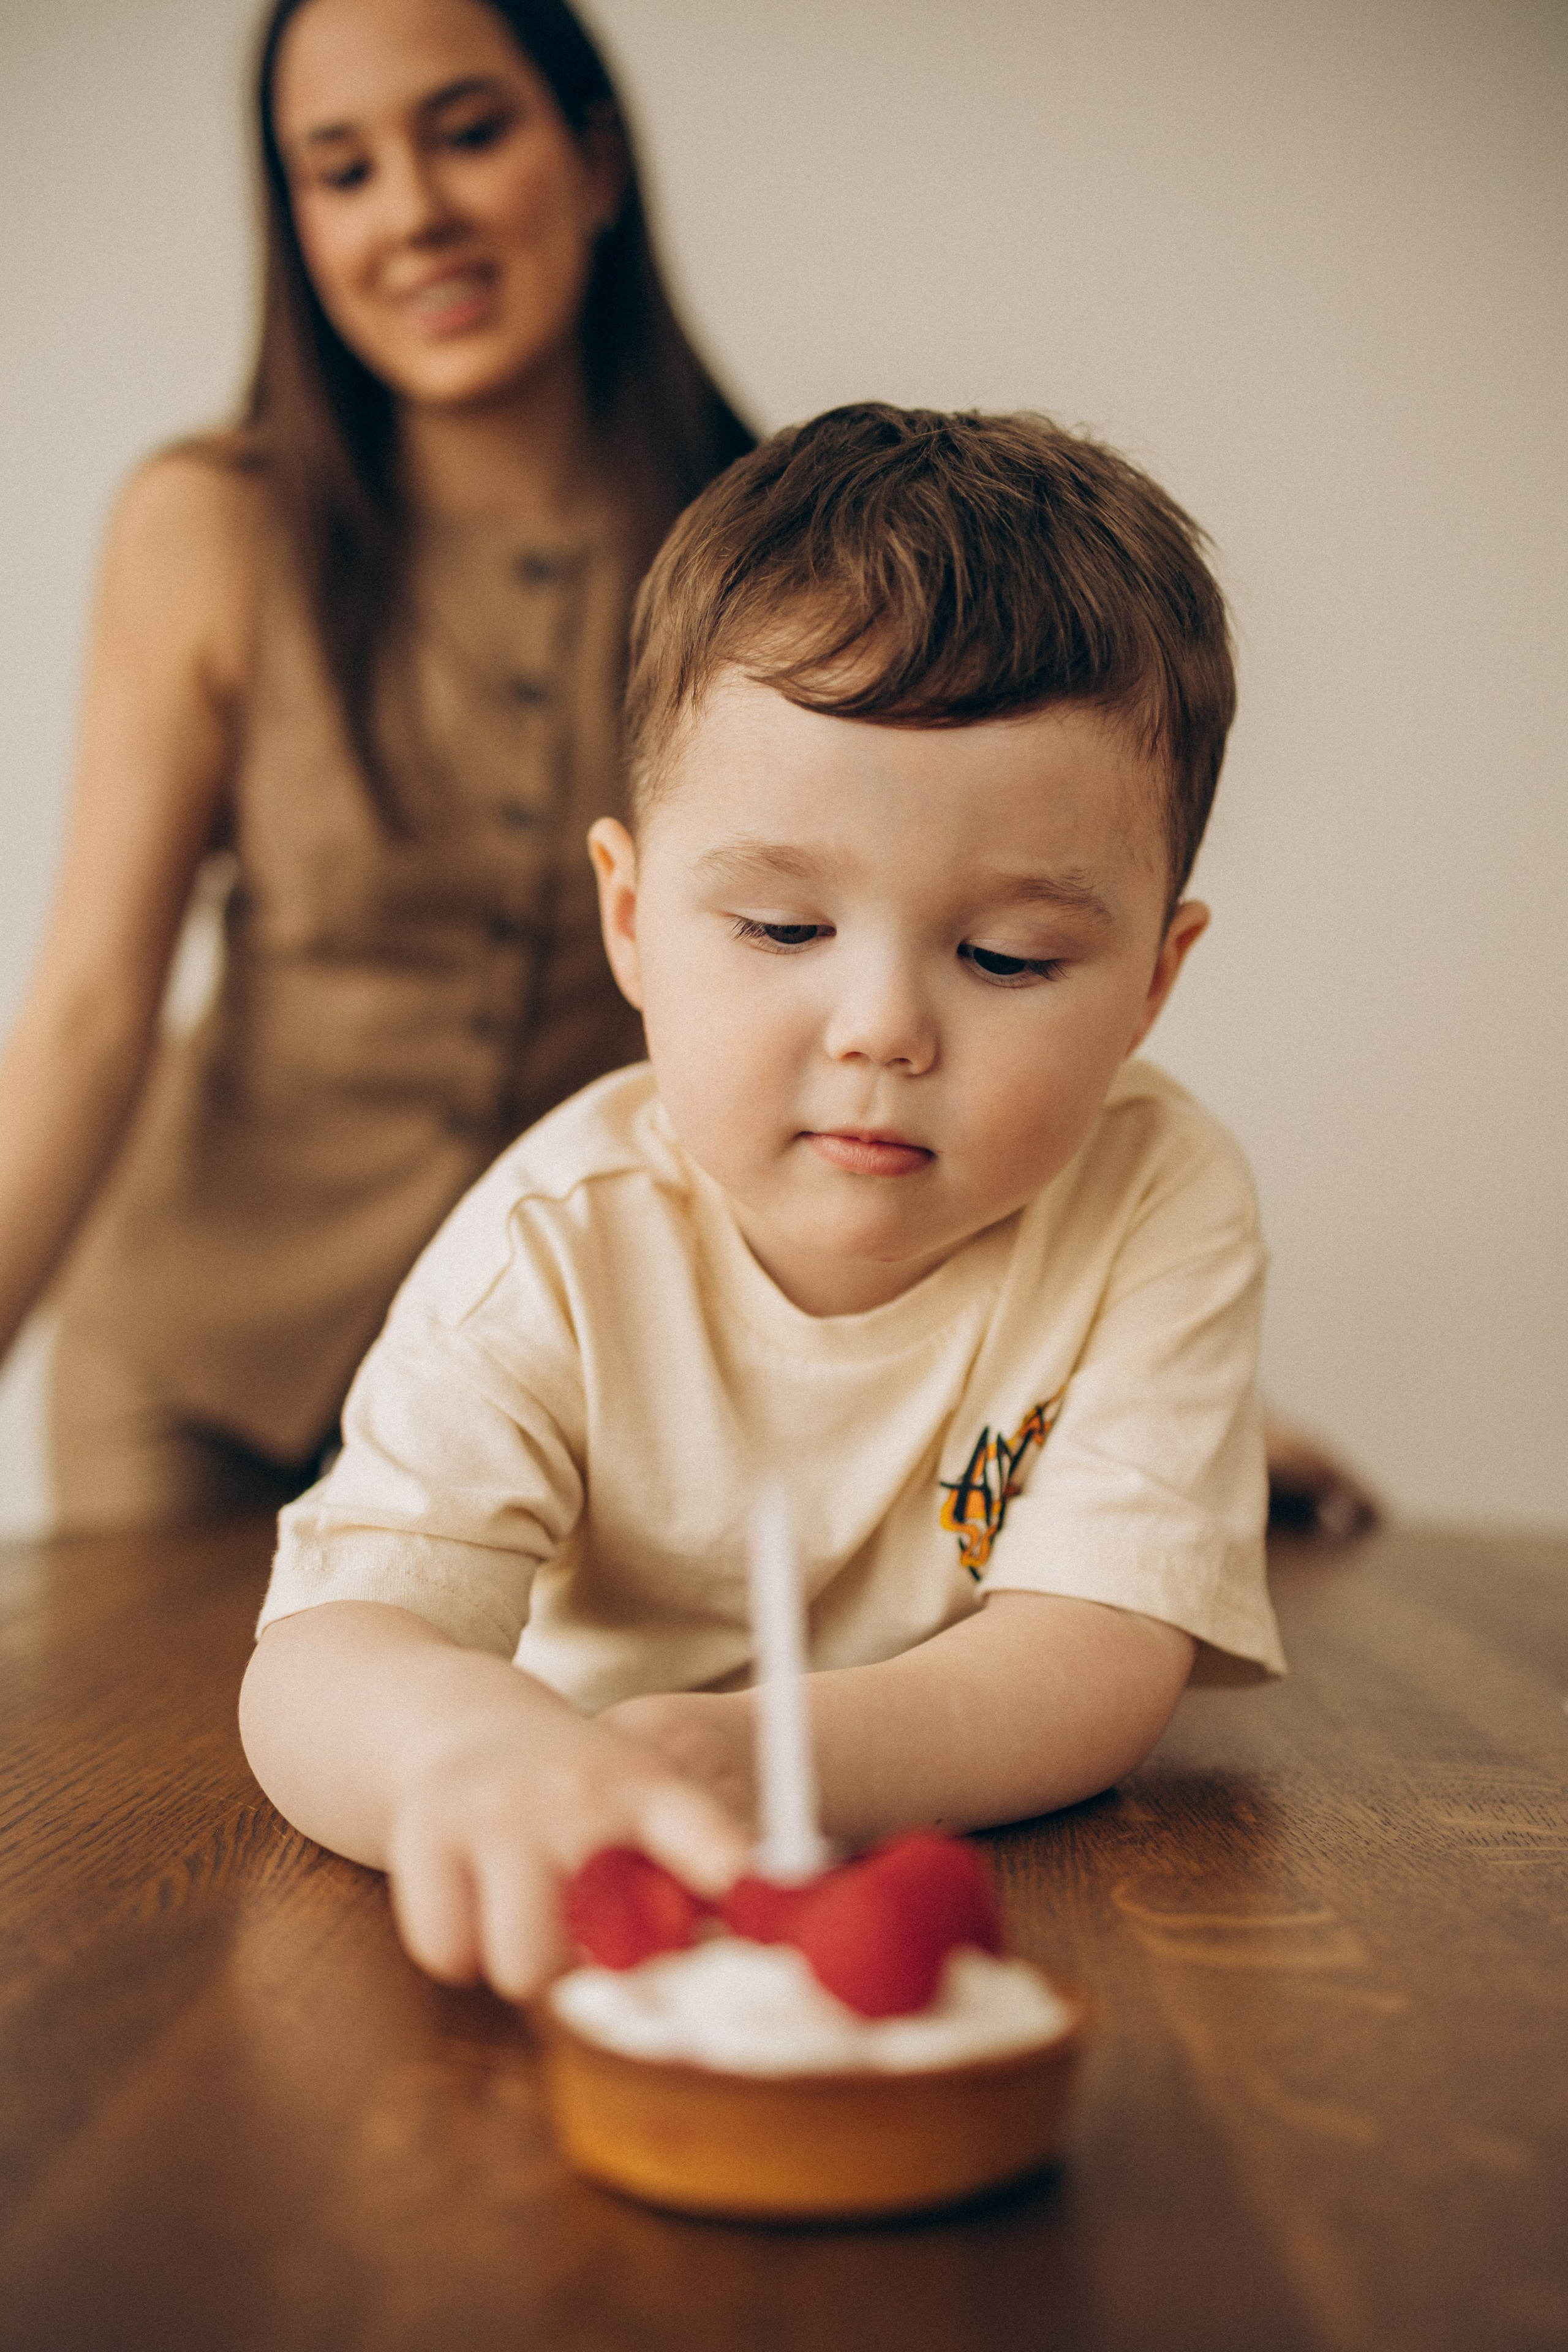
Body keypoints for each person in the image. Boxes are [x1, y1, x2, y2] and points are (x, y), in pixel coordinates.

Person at [240, 402, 1287, 2000]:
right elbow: (321, 1655)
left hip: (948, 1893)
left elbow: (1092, 1655)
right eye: (785, 927)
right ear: (635, 916)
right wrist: (460, 1745)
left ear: (1154, 980)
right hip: (603, 1886)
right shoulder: (556, 1238)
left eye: (1006, 956)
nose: (882, 1027)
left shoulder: (1162, 1195)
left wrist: (728, 1757)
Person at [0, 0, 750, 1530]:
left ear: (593, 161)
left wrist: (1106, 1414)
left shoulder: (774, 550)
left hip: (560, 1410)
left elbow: (908, 974)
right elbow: (85, 1018)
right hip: (194, 1395)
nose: (412, 214)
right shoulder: (209, 529)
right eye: (338, 172)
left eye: (468, 133)